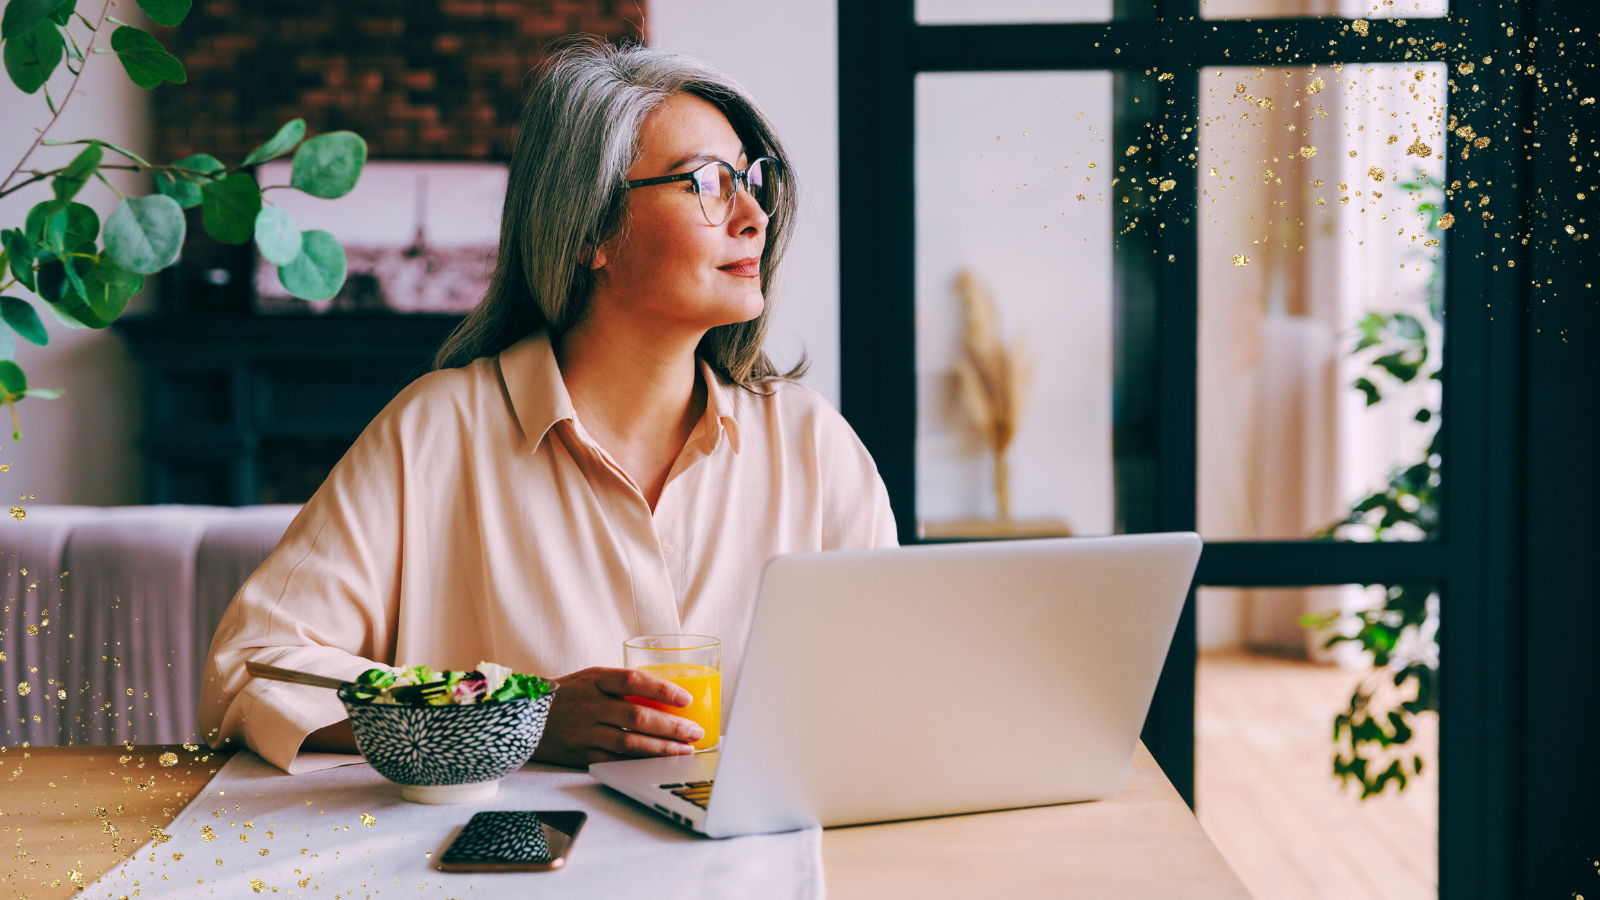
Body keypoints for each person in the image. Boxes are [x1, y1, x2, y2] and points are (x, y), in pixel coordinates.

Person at [198, 40, 896, 774]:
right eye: (709, 183)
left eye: (753, 180)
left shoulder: (810, 442)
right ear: (592, 228)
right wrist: (511, 716)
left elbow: (905, 684)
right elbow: (250, 671)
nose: (754, 214)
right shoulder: (436, 432)